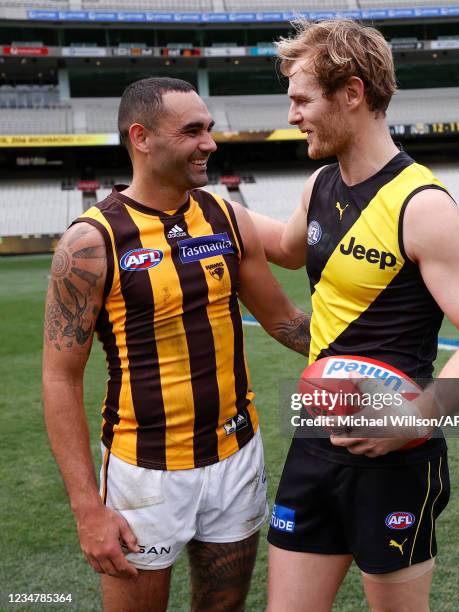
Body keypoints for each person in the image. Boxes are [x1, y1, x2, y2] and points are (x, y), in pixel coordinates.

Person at [247, 19, 459, 612]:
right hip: (316, 439)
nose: (292, 115)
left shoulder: (423, 204)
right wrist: (205, 206)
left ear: (352, 92)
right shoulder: (319, 184)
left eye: (301, 99)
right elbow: (288, 248)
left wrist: (413, 419)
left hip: (396, 459)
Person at [42, 77, 310, 612]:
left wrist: (372, 354)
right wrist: (86, 508)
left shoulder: (226, 217)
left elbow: (285, 323)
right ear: (141, 137)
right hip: (144, 472)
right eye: (192, 131)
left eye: (208, 128)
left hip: (236, 456)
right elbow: (60, 377)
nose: (209, 143)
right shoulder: (91, 242)